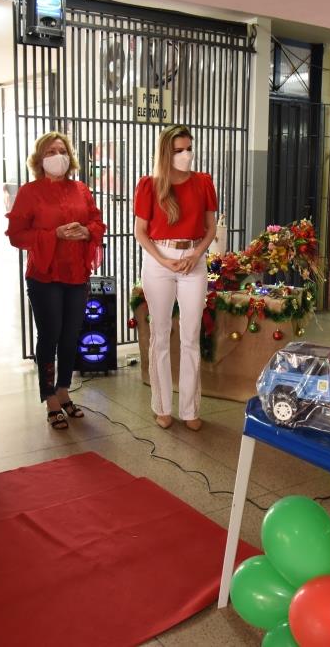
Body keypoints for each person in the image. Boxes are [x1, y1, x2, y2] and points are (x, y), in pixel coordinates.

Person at [6, 132, 106, 428]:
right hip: (45, 276)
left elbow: (96, 221)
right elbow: (17, 235)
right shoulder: (29, 192)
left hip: (77, 274)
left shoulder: (81, 189)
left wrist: (87, 231)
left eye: (62, 150)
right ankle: (49, 396)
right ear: (39, 159)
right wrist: (54, 235)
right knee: (49, 335)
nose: (58, 156)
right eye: (50, 151)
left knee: (71, 334)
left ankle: (64, 390)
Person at [133, 125, 217, 432]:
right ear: (165, 153)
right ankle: (162, 406)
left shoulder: (203, 182)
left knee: (191, 335)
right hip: (160, 259)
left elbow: (211, 227)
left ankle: (190, 408)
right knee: (160, 333)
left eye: (189, 148)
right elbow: (140, 232)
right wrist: (164, 260)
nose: (186, 155)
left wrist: (196, 255)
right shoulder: (150, 185)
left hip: (193, 257)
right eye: (179, 150)